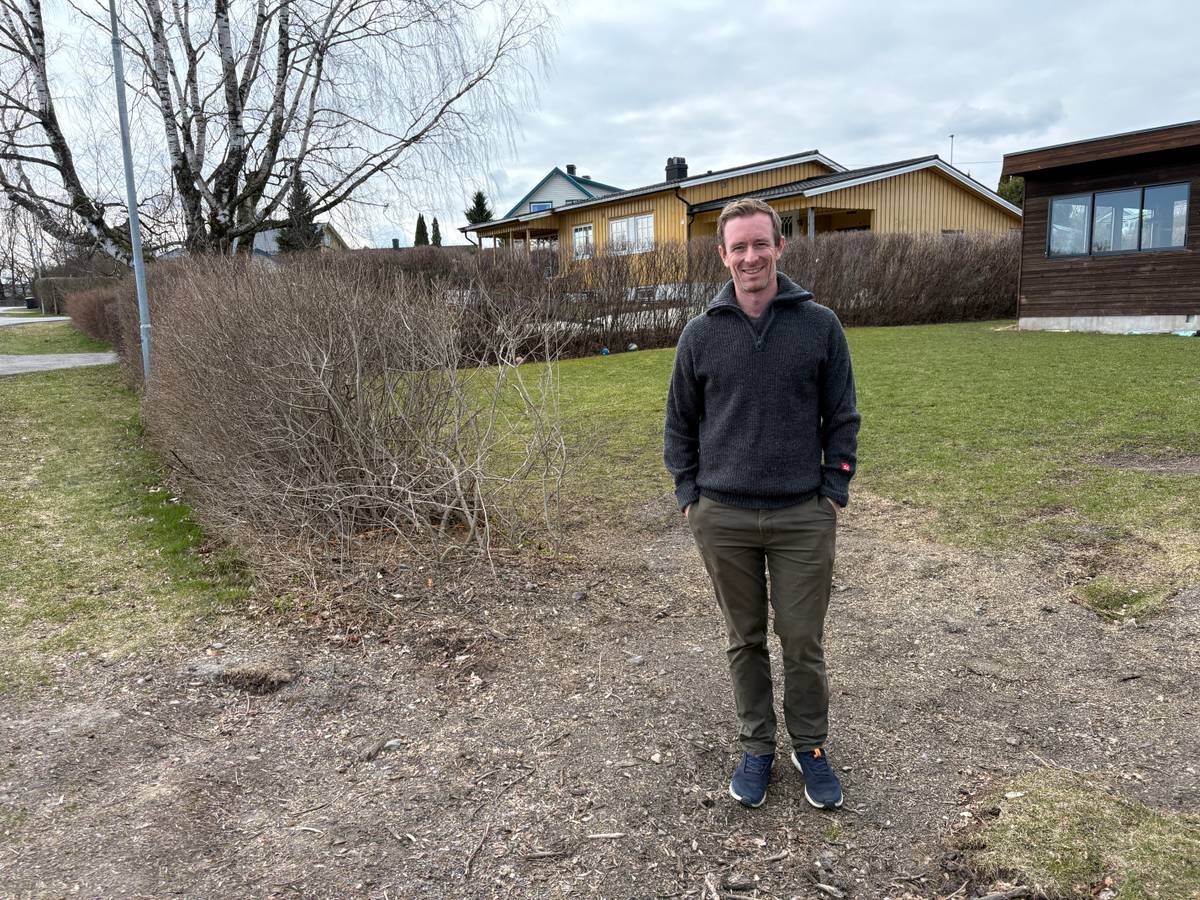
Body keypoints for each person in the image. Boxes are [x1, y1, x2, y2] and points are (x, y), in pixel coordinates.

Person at [663, 198, 860, 810]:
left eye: (760, 244)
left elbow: (843, 416)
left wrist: (833, 490)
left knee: (801, 641)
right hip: (723, 518)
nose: (751, 257)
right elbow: (679, 425)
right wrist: (690, 497)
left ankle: (811, 746)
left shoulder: (819, 325)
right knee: (743, 639)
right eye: (738, 247)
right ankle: (757, 746)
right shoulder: (700, 335)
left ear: (780, 247)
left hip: (802, 515)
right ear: (723, 255)